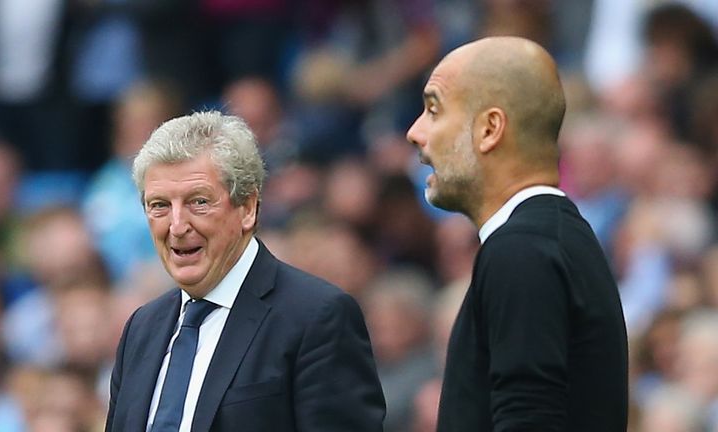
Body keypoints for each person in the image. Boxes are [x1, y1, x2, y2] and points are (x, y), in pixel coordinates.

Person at [105, 111, 385, 431]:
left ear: (248, 208)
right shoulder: (142, 328)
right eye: (159, 206)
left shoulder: (317, 317)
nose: (177, 226)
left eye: (198, 202)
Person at [405, 36, 628, 431]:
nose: (415, 133)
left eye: (433, 109)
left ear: (490, 129)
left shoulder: (521, 250)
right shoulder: (551, 239)